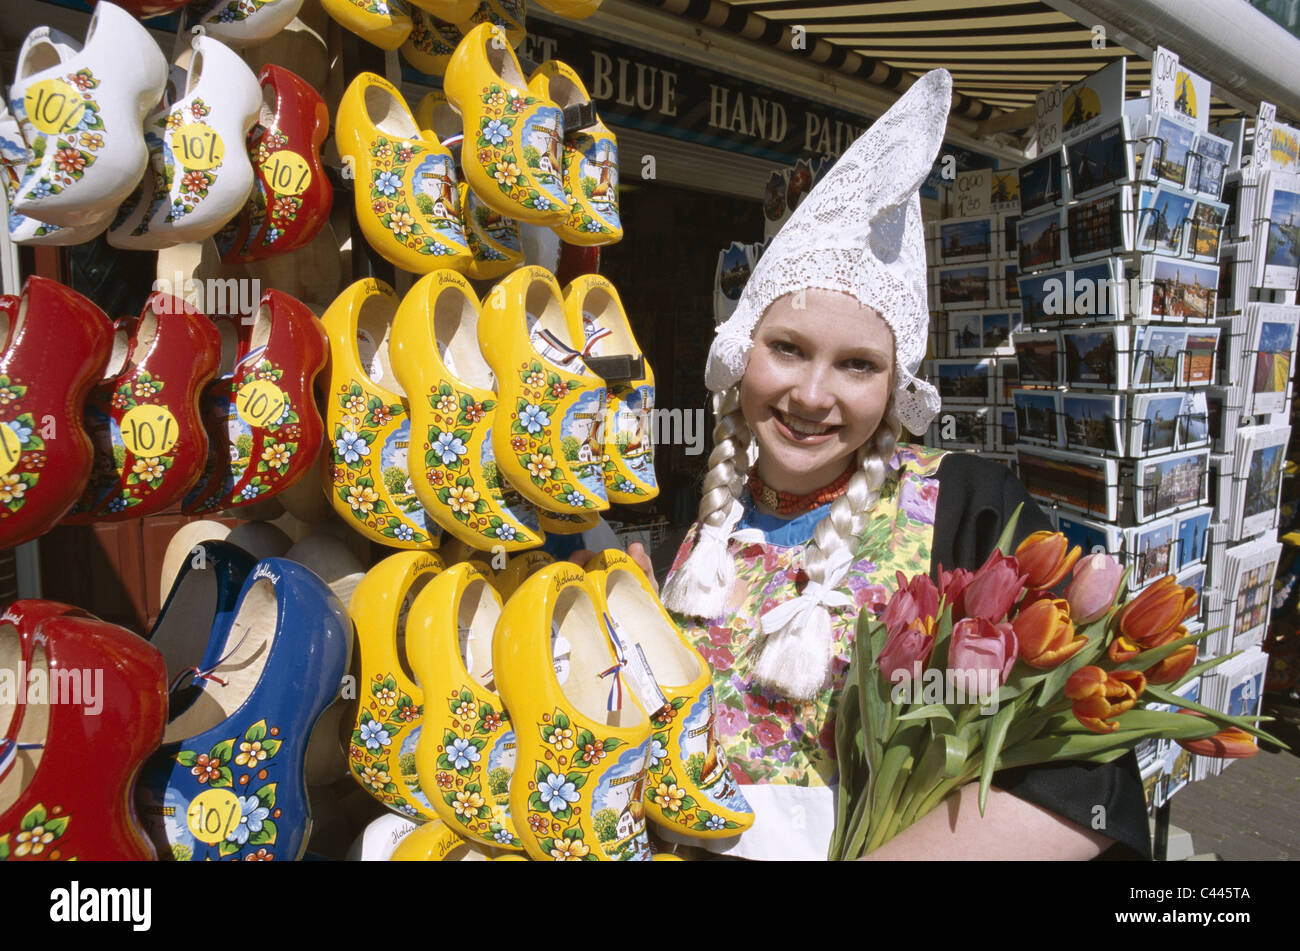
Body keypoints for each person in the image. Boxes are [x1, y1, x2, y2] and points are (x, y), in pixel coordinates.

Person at [610, 69, 1150, 861]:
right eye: (787, 348)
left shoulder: (969, 507)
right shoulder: (685, 536)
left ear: (898, 388)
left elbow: (1085, 768)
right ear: (740, 353)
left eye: (858, 365)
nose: (812, 394)